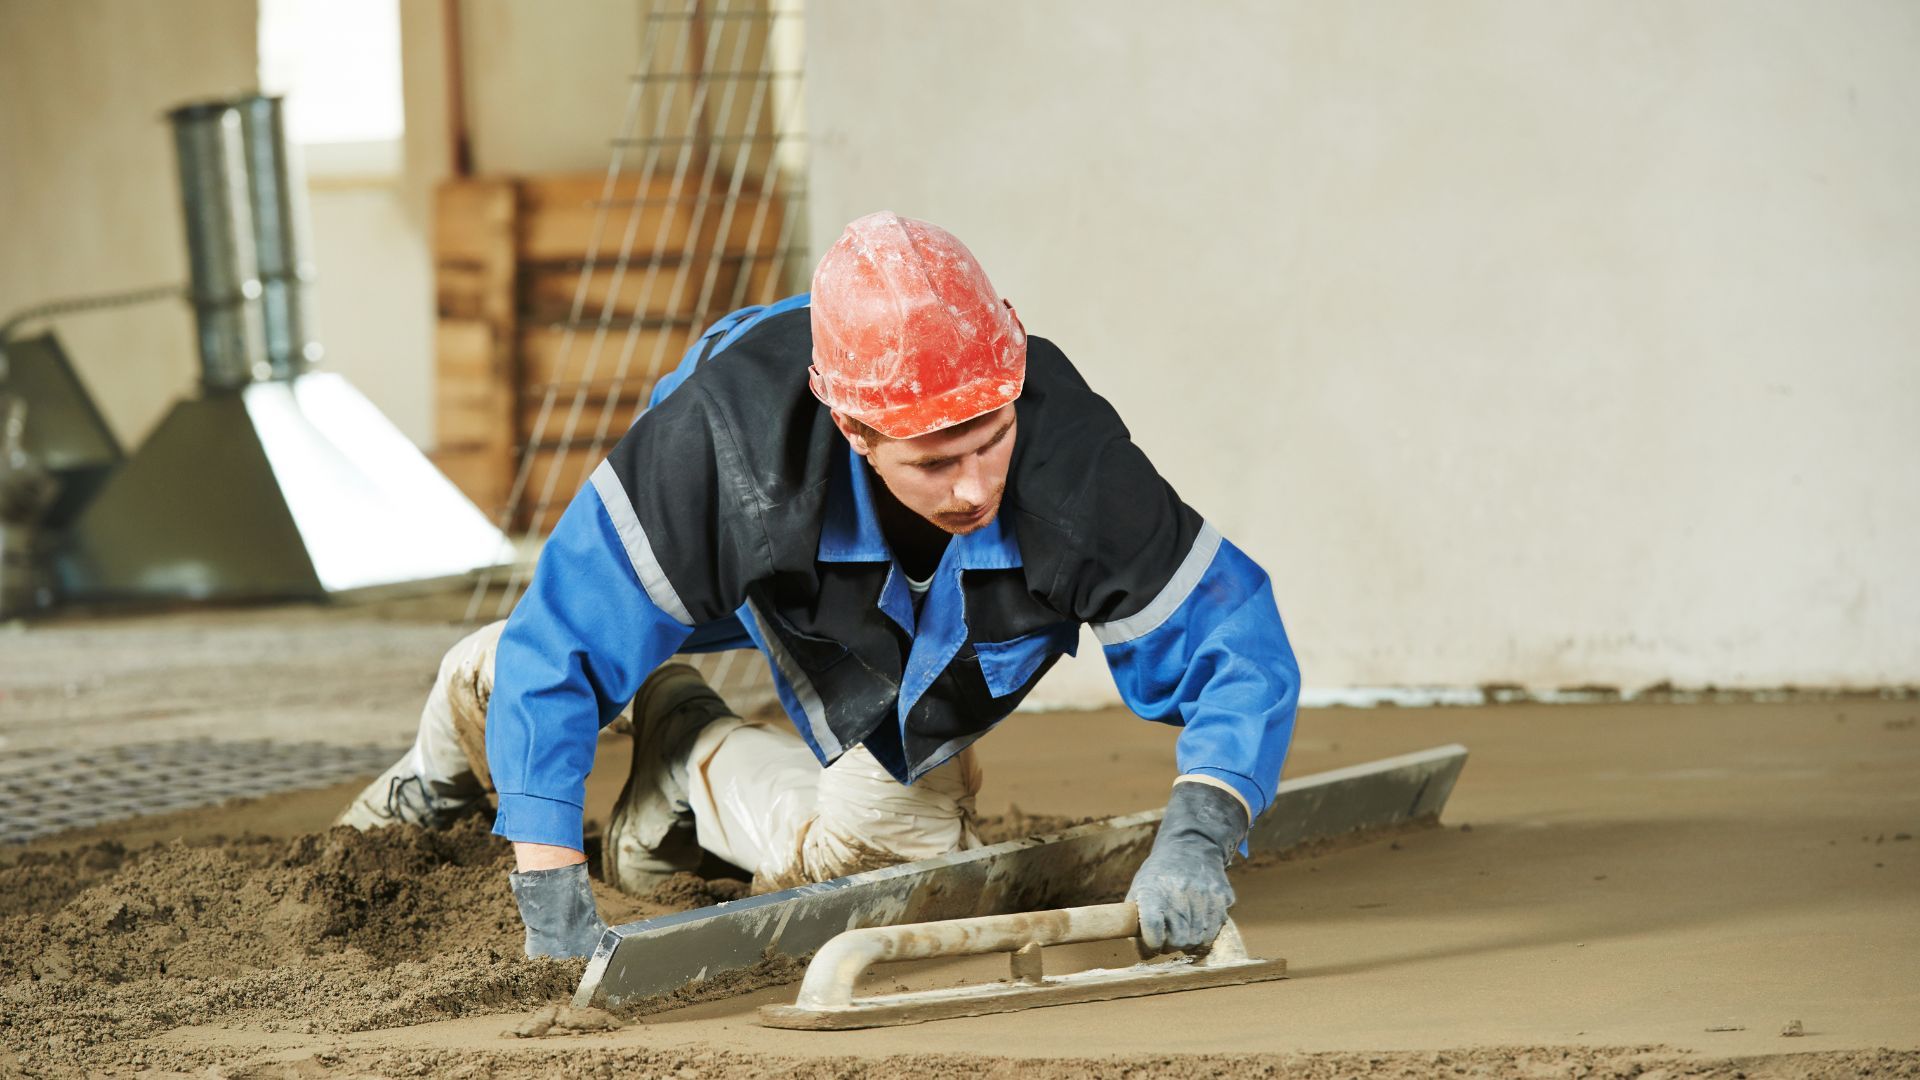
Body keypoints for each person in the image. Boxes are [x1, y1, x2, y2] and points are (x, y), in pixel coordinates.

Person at [339, 211, 1300, 961]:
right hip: (745, 573)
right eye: (933, 459)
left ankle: (684, 753)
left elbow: (1236, 644)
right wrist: (550, 889)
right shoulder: (715, 448)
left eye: (990, 441)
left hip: (896, 631)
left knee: (904, 856)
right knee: (534, 664)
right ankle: (454, 730)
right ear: (855, 428)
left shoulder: (1072, 461)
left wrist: (1201, 830)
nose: (974, 487)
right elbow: (564, 647)